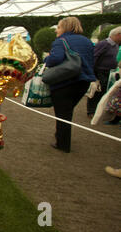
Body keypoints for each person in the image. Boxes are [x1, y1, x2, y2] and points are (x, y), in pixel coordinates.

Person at [44, 17, 96, 152]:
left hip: (65, 82)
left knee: (63, 114)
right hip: (83, 82)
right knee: (67, 111)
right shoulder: (87, 41)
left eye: (59, 27)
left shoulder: (61, 41)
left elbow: (54, 60)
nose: (57, 30)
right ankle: (61, 137)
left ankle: (63, 143)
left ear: (66, 28)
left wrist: (46, 58)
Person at [87, 26, 121, 118]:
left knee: (105, 91)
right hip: (100, 71)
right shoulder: (104, 44)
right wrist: (93, 74)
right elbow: (94, 57)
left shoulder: (116, 45)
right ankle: (91, 111)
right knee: (97, 90)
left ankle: (100, 110)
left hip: (110, 72)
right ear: (118, 35)